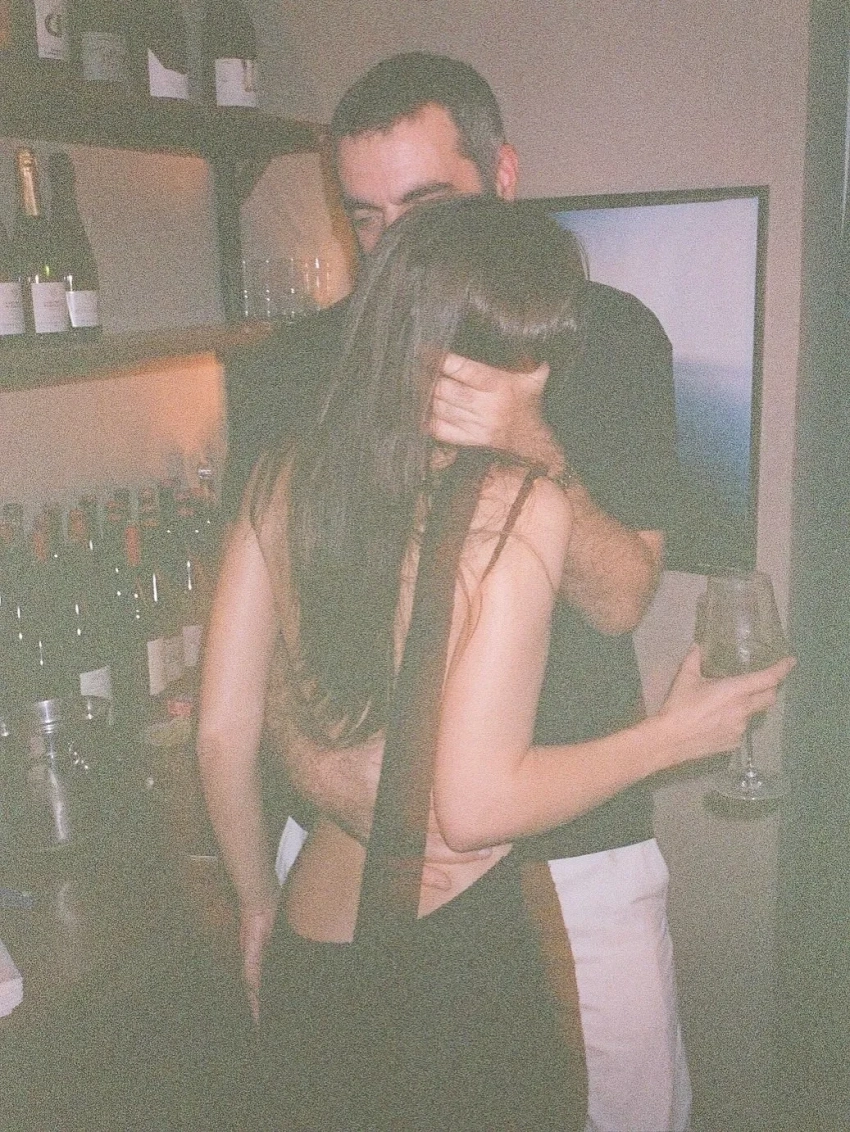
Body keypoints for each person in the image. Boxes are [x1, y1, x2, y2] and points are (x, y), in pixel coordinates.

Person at [198, 198, 793, 1131]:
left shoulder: (284, 471)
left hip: (311, 931)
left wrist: (254, 904)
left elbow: (221, 732)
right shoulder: (518, 505)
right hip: (450, 963)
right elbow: (476, 805)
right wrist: (673, 737)